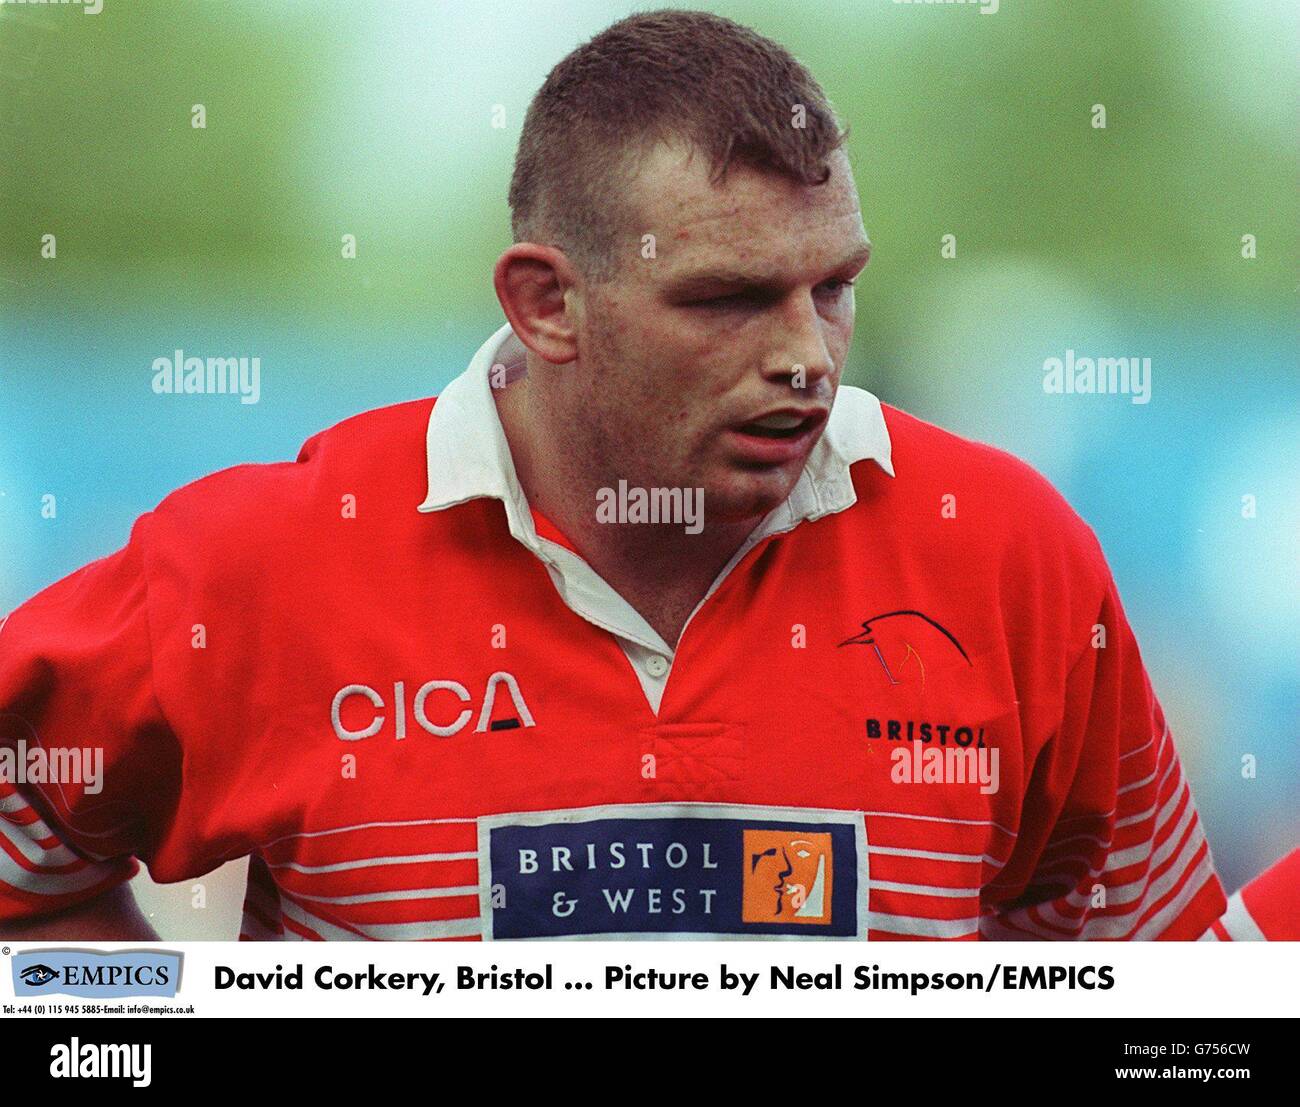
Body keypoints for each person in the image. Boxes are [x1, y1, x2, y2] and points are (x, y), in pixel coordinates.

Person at [0, 9, 1236, 941]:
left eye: (834, 287)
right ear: (547, 306)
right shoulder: (254, 568)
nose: (806, 356)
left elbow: (1163, 998)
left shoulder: (1006, 553)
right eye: (730, 299)